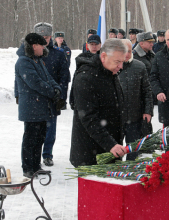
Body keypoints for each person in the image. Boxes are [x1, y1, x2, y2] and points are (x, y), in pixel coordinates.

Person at [70, 39, 127, 167]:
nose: (121, 66)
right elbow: (88, 118)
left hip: (110, 149)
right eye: (117, 62)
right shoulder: (85, 77)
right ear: (103, 56)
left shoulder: (110, 72)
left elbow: (117, 105)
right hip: (91, 153)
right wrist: (110, 144)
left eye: (122, 62)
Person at [15, 33, 62, 178]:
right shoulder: (24, 61)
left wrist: (57, 89)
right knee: (30, 138)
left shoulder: (37, 60)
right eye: (42, 46)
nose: (43, 48)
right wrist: (51, 92)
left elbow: (48, 78)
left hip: (41, 107)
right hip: (31, 107)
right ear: (34, 46)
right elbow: (35, 83)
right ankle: (28, 167)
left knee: (40, 137)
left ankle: (36, 166)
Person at [33, 22, 70, 166]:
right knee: (34, 130)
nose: (44, 39)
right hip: (35, 99)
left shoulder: (58, 54)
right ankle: (34, 155)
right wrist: (19, 94)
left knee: (50, 129)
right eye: (41, 36)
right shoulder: (29, 55)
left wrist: (62, 97)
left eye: (47, 36)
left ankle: (47, 154)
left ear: (50, 37)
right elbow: (19, 77)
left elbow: (64, 77)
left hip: (52, 98)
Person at [119, 39, 154, 160]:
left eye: (129, 51)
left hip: (135, 118)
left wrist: (148, 111)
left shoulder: (140, 66)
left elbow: (147, 91)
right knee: (115, 151)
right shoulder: (112, 67)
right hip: (116, 119)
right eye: (124, 51)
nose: (126, 54)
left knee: (133, 151)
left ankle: (131, 174)